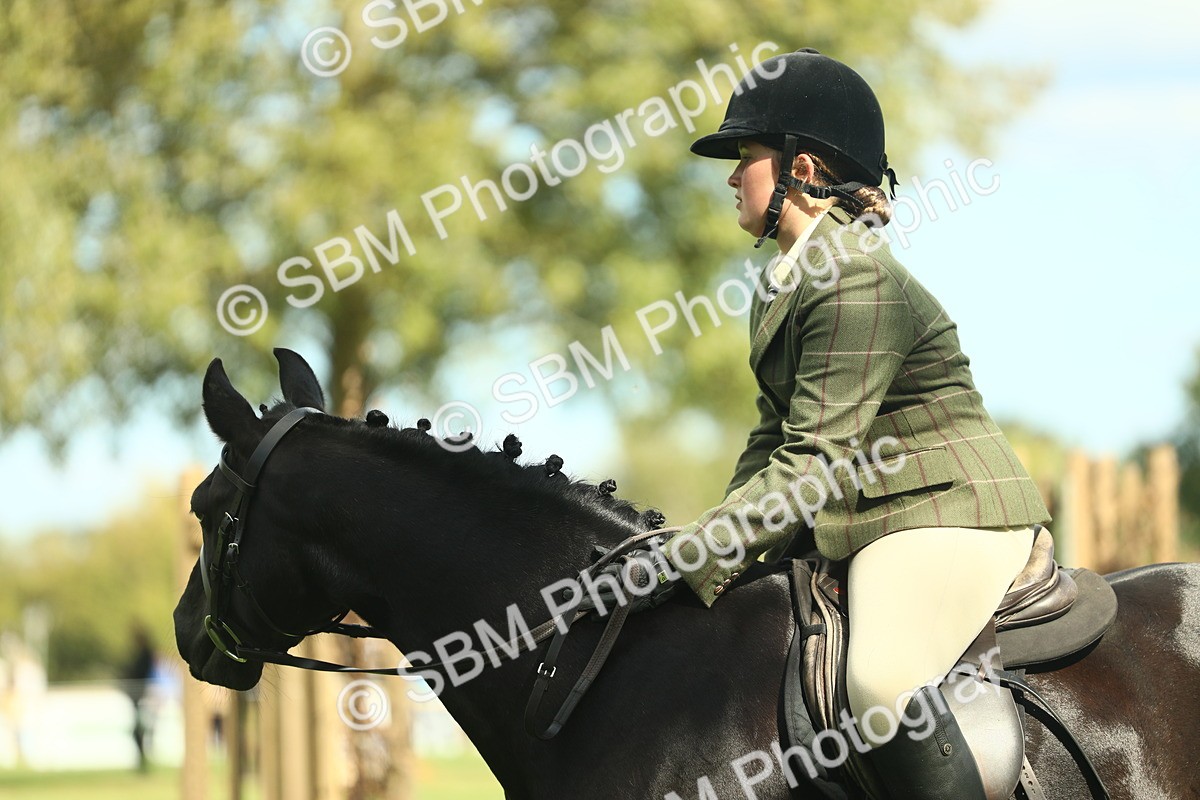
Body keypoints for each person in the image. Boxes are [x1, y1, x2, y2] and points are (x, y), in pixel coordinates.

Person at [626, 49, 1051, 799]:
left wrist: (690, 556)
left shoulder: (852, 278)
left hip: (943, 512)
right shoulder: (779, 286)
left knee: (880, 685)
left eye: (747, 157)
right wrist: (709, 541)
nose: (732, 176)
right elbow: (771, 442)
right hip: (869, 518)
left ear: (805, 170)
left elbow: (813, 463)